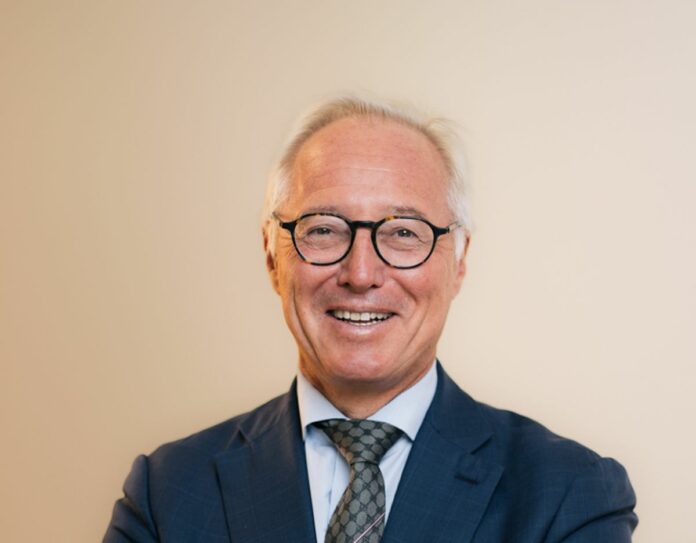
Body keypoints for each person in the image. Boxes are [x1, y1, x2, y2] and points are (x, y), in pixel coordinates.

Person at [104, 97, 638, 542]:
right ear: (271, 256)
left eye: (404, 233)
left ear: (459, 262)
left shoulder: (568, 495)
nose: (361, 274)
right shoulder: (167, 493)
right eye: (323, 229)